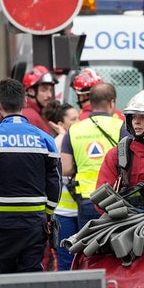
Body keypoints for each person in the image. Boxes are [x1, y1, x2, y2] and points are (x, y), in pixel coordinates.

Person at [0, 78, 61, 274]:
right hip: (35, 224)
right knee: (31, 280)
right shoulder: (46, 139)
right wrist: (46, 213)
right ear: (25, 102)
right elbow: (55, 183)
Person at [61, 82, 130, 229]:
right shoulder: (121, 127)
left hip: (86, 200)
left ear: (91, 102)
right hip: (114, 200)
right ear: (112, 102)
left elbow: (65, 168)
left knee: (87, 249)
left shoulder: (74, 129)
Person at [43, 101, 80, 271]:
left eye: (79, 117)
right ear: (61, 124)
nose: (79, 122)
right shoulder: (58, 142)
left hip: (72, 211)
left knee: (67, 261)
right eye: (73, 119)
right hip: (65, 212)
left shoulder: (73, 140)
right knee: (67, 261)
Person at [20, 65, 58, 134]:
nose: (49, 95)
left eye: (51, 90)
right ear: (31, 91)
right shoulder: (30, 117)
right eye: (44, 90)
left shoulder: (36, 112)